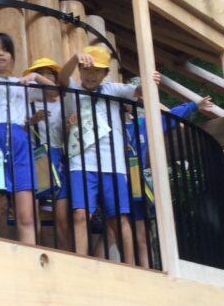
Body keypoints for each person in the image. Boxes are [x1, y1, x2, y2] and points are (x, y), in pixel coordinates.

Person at [58, 45, 159, 266]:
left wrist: (148, 81)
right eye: (87, 69)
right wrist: (74, 57)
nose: (91, 75)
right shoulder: (73, 89)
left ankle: (130, 266)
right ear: (80, 70)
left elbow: (137, 91)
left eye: (97, 70)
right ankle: (81, 265)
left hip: (114, 165)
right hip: (81, 163)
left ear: (105, 73)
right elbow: (62, 77)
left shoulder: (112, 89)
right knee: (80, 214)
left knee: (119, 218)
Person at [0, 22, 54, 243]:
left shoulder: (21, 83)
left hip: (20, 143)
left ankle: (29, 260)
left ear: (12, 57)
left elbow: (54, 94)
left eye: (6, 50)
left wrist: (36, 77)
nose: (1, 54)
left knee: (26, 216)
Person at [123, 77, 214, 268]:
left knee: (142, 233)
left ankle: (147, 271)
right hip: (115, 179)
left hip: (136, 182)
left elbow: (170, 116)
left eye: (132, 100)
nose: (129, 103)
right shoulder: (110, 125)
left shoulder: (143, 124)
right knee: (112, 230)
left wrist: (194, 106)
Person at [24, 57, 72, 250]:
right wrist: (32, 121)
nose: (44, 77)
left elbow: (68, 135)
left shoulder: (64, 103)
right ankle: (35, 252)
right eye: (40, 74)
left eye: (49, 74)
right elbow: (19, 130)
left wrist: (69, 126)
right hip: (35, 158)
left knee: (61, 219)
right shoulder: (27, 102)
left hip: (57, 157)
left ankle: (67, 257)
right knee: (32, 215)